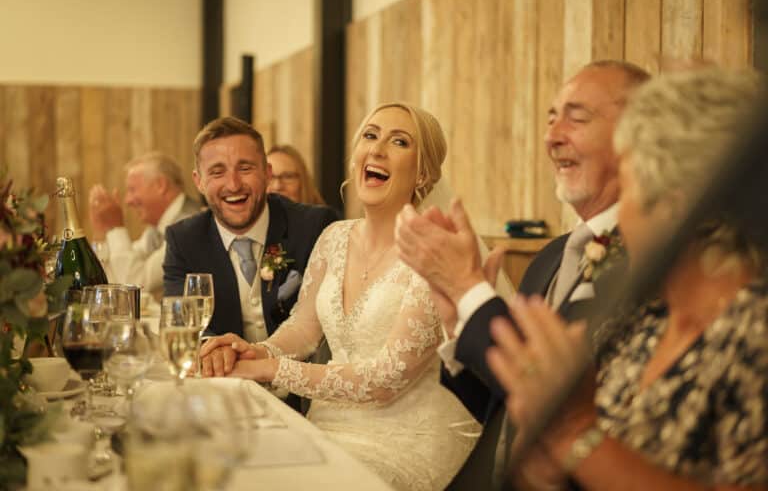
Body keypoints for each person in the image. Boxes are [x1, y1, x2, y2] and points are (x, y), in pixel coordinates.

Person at [200, 103, 512, 490]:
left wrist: (270, 370)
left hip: (407, 443)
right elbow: (302, 329)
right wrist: (256, 351)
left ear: (424, 173)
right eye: (370, 135)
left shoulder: (434, 249)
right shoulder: (334, 237)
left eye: (399, 141)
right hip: (327, 426)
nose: (378, 149)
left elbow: (387, 377)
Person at [487, 68, 768, 489]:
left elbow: (586, 441)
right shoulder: (645, 322)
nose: (623, 212)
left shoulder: (754, 333)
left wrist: (575, 434)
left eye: (629, 187)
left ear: (674, 209)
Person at [395, 60, 650, 485]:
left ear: (638, 135)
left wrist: (468, 289)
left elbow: (569, 407)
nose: (551, 138)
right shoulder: (550, 258)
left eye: (577, 118)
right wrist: (459, 326)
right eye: (550, 119)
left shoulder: (650, 261)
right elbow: (501, 408)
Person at [163, 117, 338, 350]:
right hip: (227, 381)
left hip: (300, 380)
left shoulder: (315, 226)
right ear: (199, 182)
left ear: (267, 174)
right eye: (217, 172)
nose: (234, 185)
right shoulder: (184, 240)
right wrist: (213, 348)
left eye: (245, 168)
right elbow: (183, 322)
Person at [88, 152, 201, 298]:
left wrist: (115, 228)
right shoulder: (156, 229)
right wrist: (101, 232)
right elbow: (116, 276)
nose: (127, 201)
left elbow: (133, 285)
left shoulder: (188, 224)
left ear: (161, 185)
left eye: (132, 190)